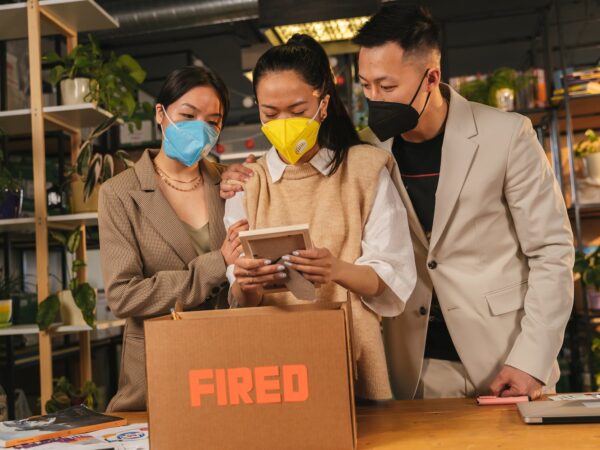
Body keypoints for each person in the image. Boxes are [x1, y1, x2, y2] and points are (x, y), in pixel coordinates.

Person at [221, 4, 574, 400]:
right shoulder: (367, 151)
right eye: (366, 86)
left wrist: (531, 359)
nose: (375, 98)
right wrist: (239, 177)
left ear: (431, 78)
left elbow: (551, 253)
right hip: (411, 364)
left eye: (386, 88)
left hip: (504, 356)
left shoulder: (506, 135)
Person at [223, 34, 416, 401]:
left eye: (296, 111)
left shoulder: (364, 169)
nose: (283, 123)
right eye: (269, 113)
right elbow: (242, 300)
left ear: (323, 103)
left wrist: (336, 270)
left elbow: (393, 278)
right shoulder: (248, 183)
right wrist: (246, 282)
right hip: (271, 367)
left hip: (351, 352)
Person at [98, 66, 247, 411]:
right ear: (161, 114)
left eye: (213, 120)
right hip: (158, 372)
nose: (201, 128)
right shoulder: (120, 193)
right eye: (189, 114)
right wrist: (216, 263)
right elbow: (123, 295)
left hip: (231, 368)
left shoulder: (229, 184)